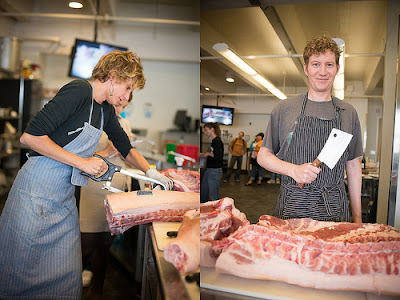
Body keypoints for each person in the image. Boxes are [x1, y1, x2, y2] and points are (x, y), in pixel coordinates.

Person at [0, 50, 173, 299]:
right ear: (112, 76)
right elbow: (30, 137)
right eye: (126, 87)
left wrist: (152, 172)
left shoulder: (105, 110)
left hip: (63, 194)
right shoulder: (79, 90)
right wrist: (82, 162)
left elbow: (126, 147)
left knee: (67, 271)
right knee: (23, 266)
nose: (127, 96)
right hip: (36, 190)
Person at [257, 35, 363, 223]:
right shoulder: (285, 108)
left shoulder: (348, 113)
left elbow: (353, 166)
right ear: (306, 68)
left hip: (334, 210)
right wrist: (293, 170)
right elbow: (263, 155)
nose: (322, 71)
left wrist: (358, 218)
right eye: (316, 64)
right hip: (292, 207)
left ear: (337, 69)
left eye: (329, 64)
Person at [79, 98, 132, 299]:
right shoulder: (92, 122)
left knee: (104, 244)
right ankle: (67, 288)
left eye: (124, 107)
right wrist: (108, 151)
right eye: (117, 106)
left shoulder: (125, 124)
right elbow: (80, 156)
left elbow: (127, 153)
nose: (119, 110)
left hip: (115, 187)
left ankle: (97, 290)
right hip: (94, 187)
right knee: (87, 243)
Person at [200, 122, 224, 203]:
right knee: (204, 192)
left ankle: (217, 213)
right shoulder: (214, 141)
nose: (205, 132)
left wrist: (208, 154)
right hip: (210, 170)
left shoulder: (217, 141)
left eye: (206, 130)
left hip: (214, 170)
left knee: (214, 196)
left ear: (212, 129)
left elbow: (218, 156)